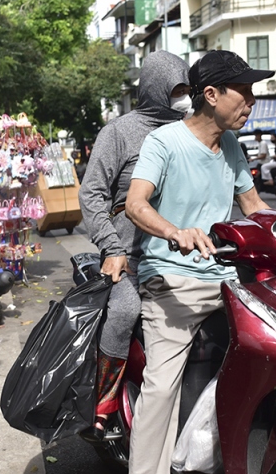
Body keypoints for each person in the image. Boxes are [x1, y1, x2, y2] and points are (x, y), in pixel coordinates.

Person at [117, 50, 276, 474]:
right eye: (244, 91)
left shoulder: (230, 145)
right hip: (171, 282)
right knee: (162, 386)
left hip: (227, 279)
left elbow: (254, 208)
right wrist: (174, 232)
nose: (251, 103)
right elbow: (136, 204)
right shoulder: (164, 143)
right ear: (210, 95)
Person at [78, 51, 192, 442]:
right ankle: (104, 404)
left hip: (176, 254)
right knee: (126, 309)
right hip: (126, 257)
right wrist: (112, 247)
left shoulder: (190, 131)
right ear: (155, 89)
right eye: (177, 90)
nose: (183, 97)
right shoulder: (119, 133)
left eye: (186, 89)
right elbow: (91, 194)